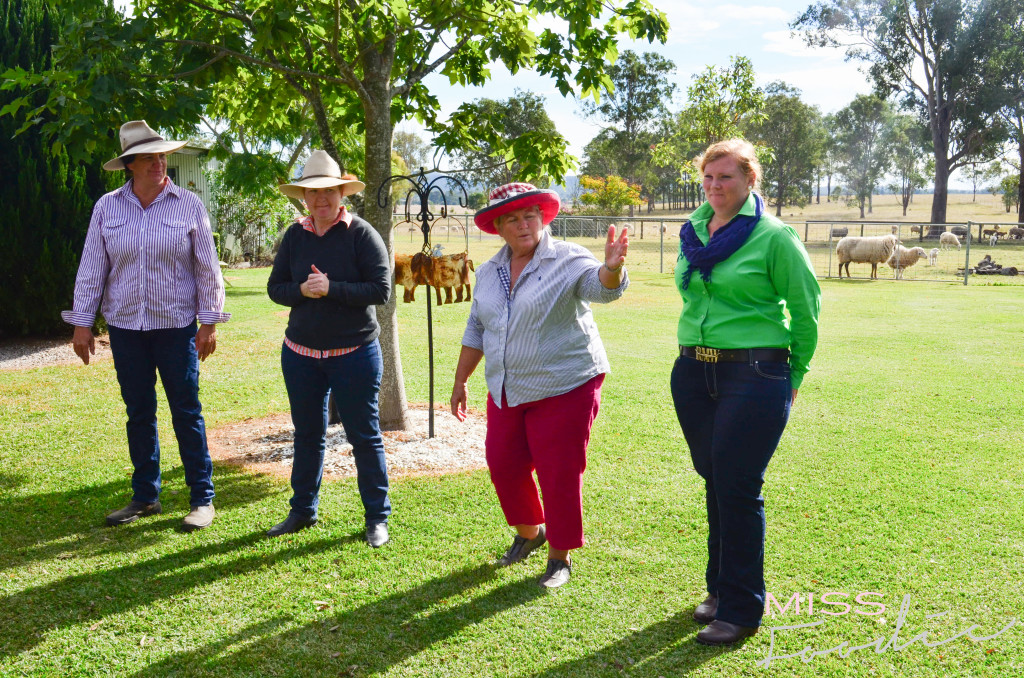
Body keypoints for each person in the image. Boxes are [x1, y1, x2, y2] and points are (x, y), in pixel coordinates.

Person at [670, 139, 820, 645]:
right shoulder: (692, 231)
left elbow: (806, 313)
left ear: (750, 180)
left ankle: (741, 608)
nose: (715, 187)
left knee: (736, 486)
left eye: (726, 177)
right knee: (714, 480)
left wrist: (791, 377)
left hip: (754, 374)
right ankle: (718, 590)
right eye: (709, 178)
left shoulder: (775, 237)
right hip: (694, 373)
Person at [450, 182, 629, 588]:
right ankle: (533, 532)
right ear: (498, 227)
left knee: (558, 470)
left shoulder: (567, 258)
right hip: (508, 387)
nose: (523, 224)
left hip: (565, 384)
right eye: (511, 218)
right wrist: (462, 379)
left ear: (543, 217)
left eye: (529, 215)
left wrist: (613, 268)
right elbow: (478, 325)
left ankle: (560, 557)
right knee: (503, 464)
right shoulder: (490, 271)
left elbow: (597, 286)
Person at [63, 120, 229, 531]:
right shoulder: (107, 207)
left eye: (162, 155)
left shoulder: (189, 204)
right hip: (125, 329)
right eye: (149, 157)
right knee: (138, 412)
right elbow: (91, 269)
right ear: (130, 164)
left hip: (176, 328)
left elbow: (207, 269)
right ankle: (145, 496)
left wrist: (208, 322)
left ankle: (202, 498)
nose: (159, 162)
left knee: (186, 411)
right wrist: (82, 324)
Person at [266, 150, 393, 548]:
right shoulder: (294, 235)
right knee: (307, 435)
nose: (321, 199)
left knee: (364, 436)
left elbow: (381, 290)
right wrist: (302, 290)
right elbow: (275, 288)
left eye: (329, 191)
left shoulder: (362, 234)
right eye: (312, 192)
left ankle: (376, 518)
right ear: (304, 196)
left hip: (354, 354)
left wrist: (332, 288)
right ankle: (303, 510)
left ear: (342, 193)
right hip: (300, 354)